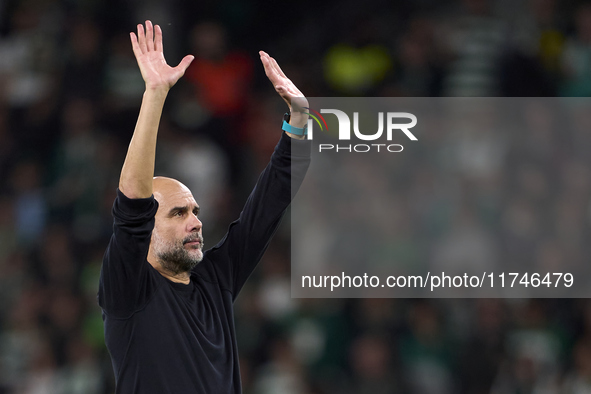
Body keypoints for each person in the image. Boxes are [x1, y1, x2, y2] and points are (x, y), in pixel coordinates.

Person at [98, 20, 310, 393]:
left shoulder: (215, 280)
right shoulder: (128, 291)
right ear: (146, 229)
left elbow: (268, 207)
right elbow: (131, 202)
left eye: (194, 211)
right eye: (178, 213)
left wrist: (299, 120)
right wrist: (156, 94)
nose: (195, 221)